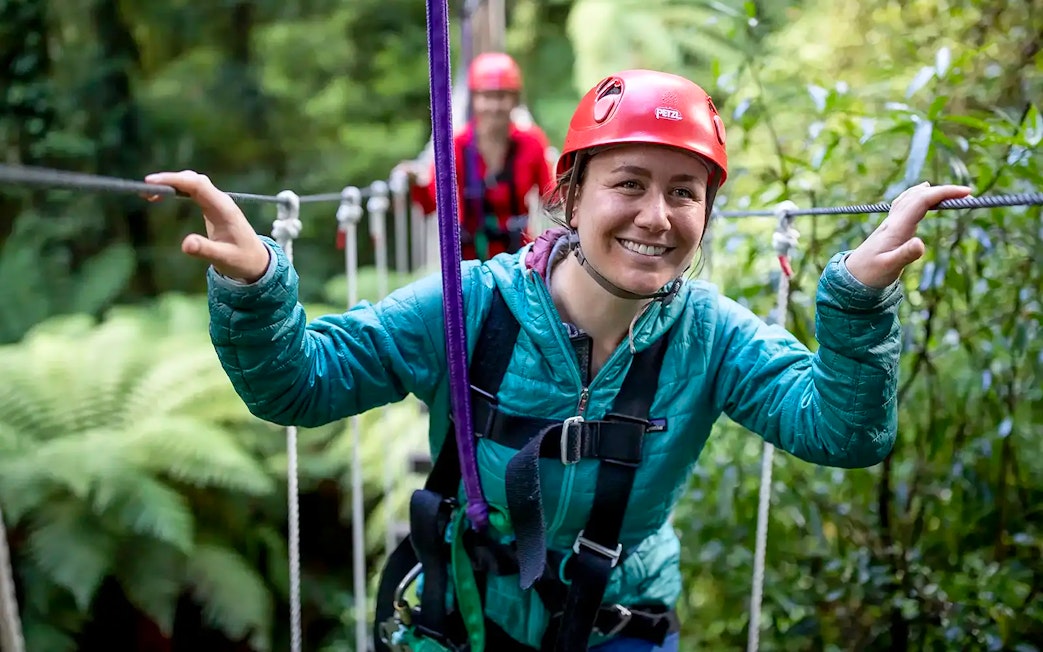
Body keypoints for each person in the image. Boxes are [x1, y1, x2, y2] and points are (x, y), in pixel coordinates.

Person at [145, 68, 972, 652]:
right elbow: (299, 383)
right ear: (568, 194)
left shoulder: (714, 335)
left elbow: (843, 433)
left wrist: (857, 300)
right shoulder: (466, 306)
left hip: (622, 623)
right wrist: (254, 282)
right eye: (630, 183)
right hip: (466, 614)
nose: (657, 215)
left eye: (685, 193)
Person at [402, 51, 554, 261]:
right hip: (469, 268)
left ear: (515, 99)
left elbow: (552, 199)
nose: (494, 106)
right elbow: (432, 205)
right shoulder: (454, 147)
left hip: (518, 263)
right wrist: (414, 184)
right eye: (487, 96)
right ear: (474, 99)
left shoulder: (532, 144)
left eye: (502, 96)